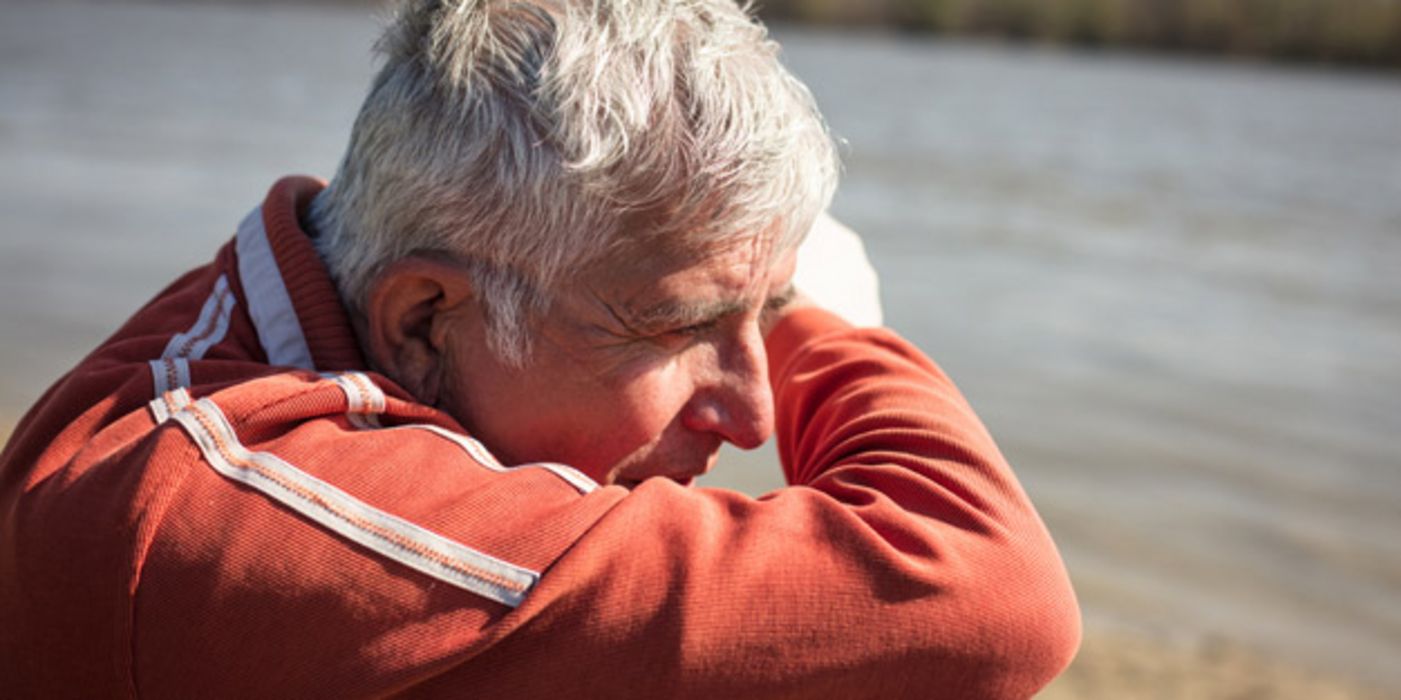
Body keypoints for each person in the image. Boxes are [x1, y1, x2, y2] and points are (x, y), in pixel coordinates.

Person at [0, 0, 1079, 697]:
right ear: (423, 319)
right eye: (679, 329)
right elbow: (985, 595)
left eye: (765, 316)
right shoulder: (228, 507)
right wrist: (827, 330)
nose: (754, 416)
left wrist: (749, 294)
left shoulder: (297, 289)